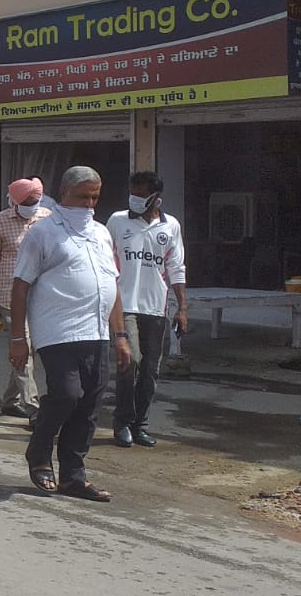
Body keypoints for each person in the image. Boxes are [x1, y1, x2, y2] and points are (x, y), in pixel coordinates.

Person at [11, 166, 131, 502]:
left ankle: (73, 476)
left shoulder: (101, 233)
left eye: (94, 197)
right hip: (57, 329)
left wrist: (120, 335)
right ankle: (39, 453)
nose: (89, 204)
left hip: (97, 331)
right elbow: (20, 286)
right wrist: (18, 338)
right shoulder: (43, 232)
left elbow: (111, 285)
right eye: (82, 197)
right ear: (64, 193)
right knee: (66, 394)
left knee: (89, 403)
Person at [106, 171, 187, 448]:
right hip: (123, 305)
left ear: (156, 197)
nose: (135, 199)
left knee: (150, 370)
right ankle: (122, 422)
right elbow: (105, 262)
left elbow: (176, 267)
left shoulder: (170, 226)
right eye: (132, 193)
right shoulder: (117, 221)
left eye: (141, 195)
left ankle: (140, 423)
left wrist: (182, 308)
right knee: (130, 362)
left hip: (155, 307)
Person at [0, 178, 51, 420]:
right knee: (24, 349)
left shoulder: (47, 218)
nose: (32, 206)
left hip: (39, 295)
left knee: (29, 350)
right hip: (9, 296)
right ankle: (33, 405)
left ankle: (9, 400)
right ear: (16, 201)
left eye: (35, 202)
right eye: (27, 203)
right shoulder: (0, 221)